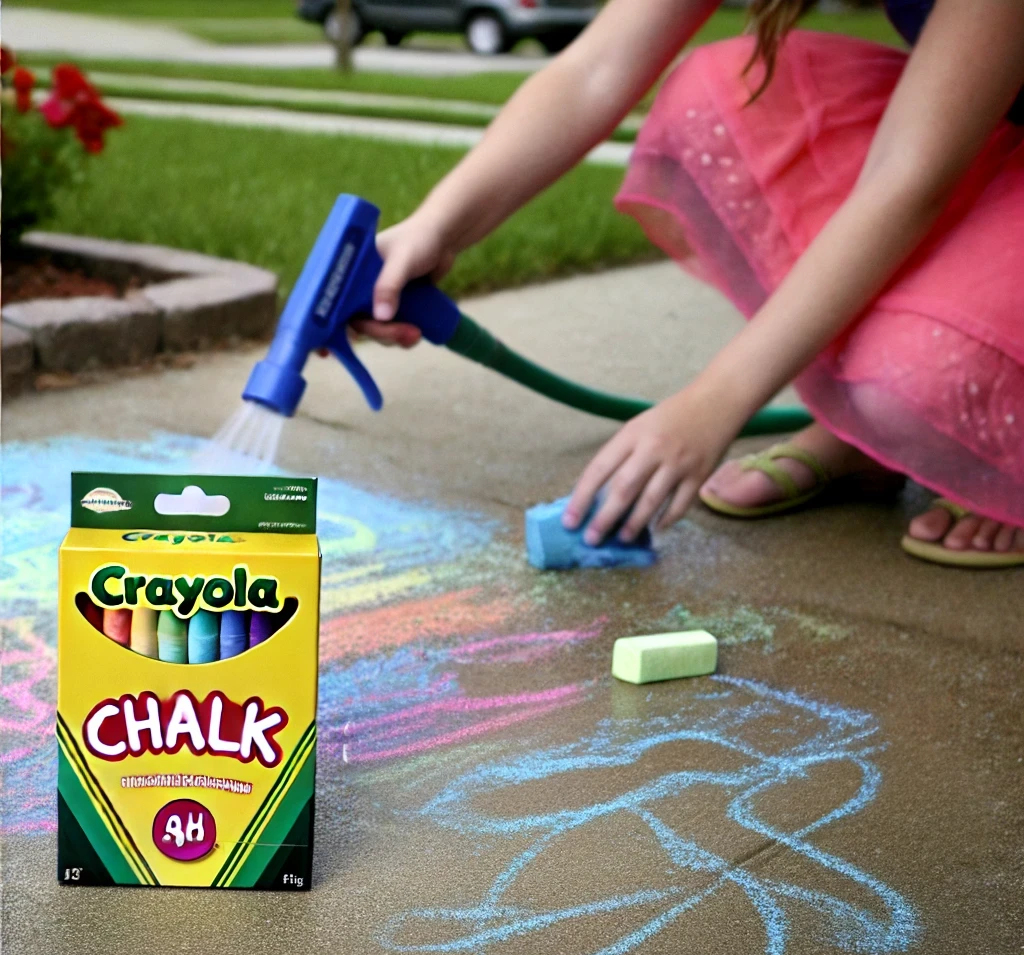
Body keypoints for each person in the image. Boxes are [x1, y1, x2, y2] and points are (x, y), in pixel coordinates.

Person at [354, 0, 1024, 568]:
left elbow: (907, 180)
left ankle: (996, 459)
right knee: (715, 97)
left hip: (945, 151)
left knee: (920, 379)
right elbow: (595, 69)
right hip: (975, 126)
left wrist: (713, 403)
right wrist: (437, 226)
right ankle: (863, 436)